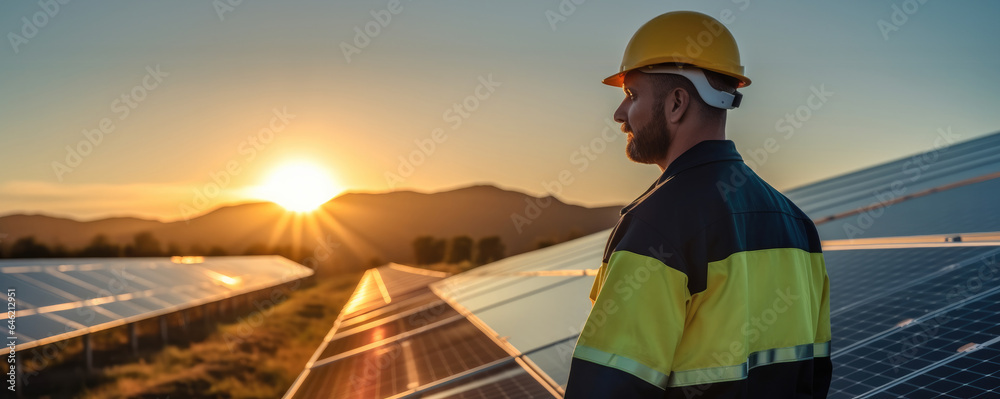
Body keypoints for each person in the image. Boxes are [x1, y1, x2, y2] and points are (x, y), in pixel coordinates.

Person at [564, 11, 832, 398]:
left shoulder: (656, 225)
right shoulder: (798, 225)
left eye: (632, 95)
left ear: (676, 104)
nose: (619, 114)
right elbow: (815, 377)